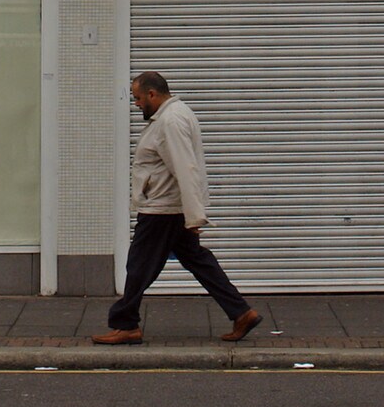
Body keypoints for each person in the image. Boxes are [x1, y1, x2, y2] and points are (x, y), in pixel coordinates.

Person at [92, 71, 261, 345]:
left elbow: (185, 168)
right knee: (198, 261)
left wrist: (194, 217)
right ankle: (241, 312)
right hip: (172, 207)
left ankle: (126, 325)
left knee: (138, 266)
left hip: (162, 209)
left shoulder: (169, 121)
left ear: (152, 94)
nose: (135, 104)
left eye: (137, 98)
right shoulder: (174, 115)